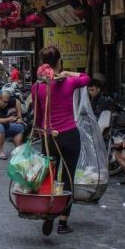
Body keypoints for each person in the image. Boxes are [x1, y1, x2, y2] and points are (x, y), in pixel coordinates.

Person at [31, 45, 89, 235]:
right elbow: (86, 79)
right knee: (68, 177)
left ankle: (48, 213)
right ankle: (63, 221)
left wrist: (39, 131)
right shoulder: (69, 82)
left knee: (50, 176)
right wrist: (67, 72)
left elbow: (37, 116)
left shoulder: (37, 86)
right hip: (69, 134)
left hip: (48, 136)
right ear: (58, 62)